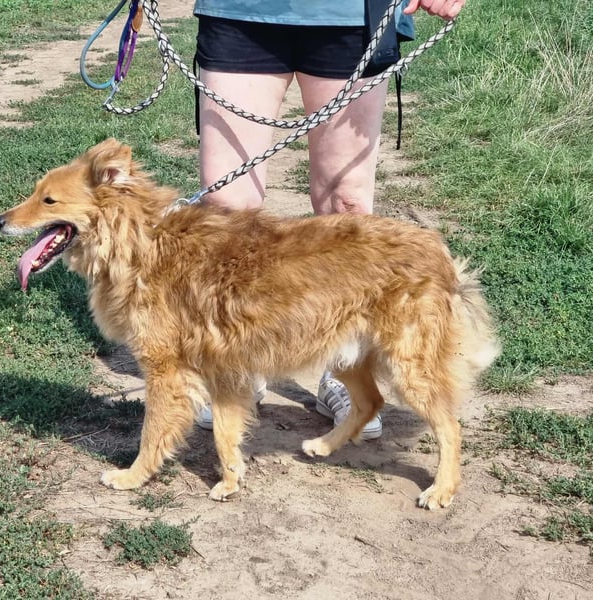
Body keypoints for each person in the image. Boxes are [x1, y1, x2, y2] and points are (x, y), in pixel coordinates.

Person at [191, 0, 466, 436]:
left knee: (347, 205)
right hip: (240, 11)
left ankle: (343, 368)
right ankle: (240, 362)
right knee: (227, 209)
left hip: (350, 14)